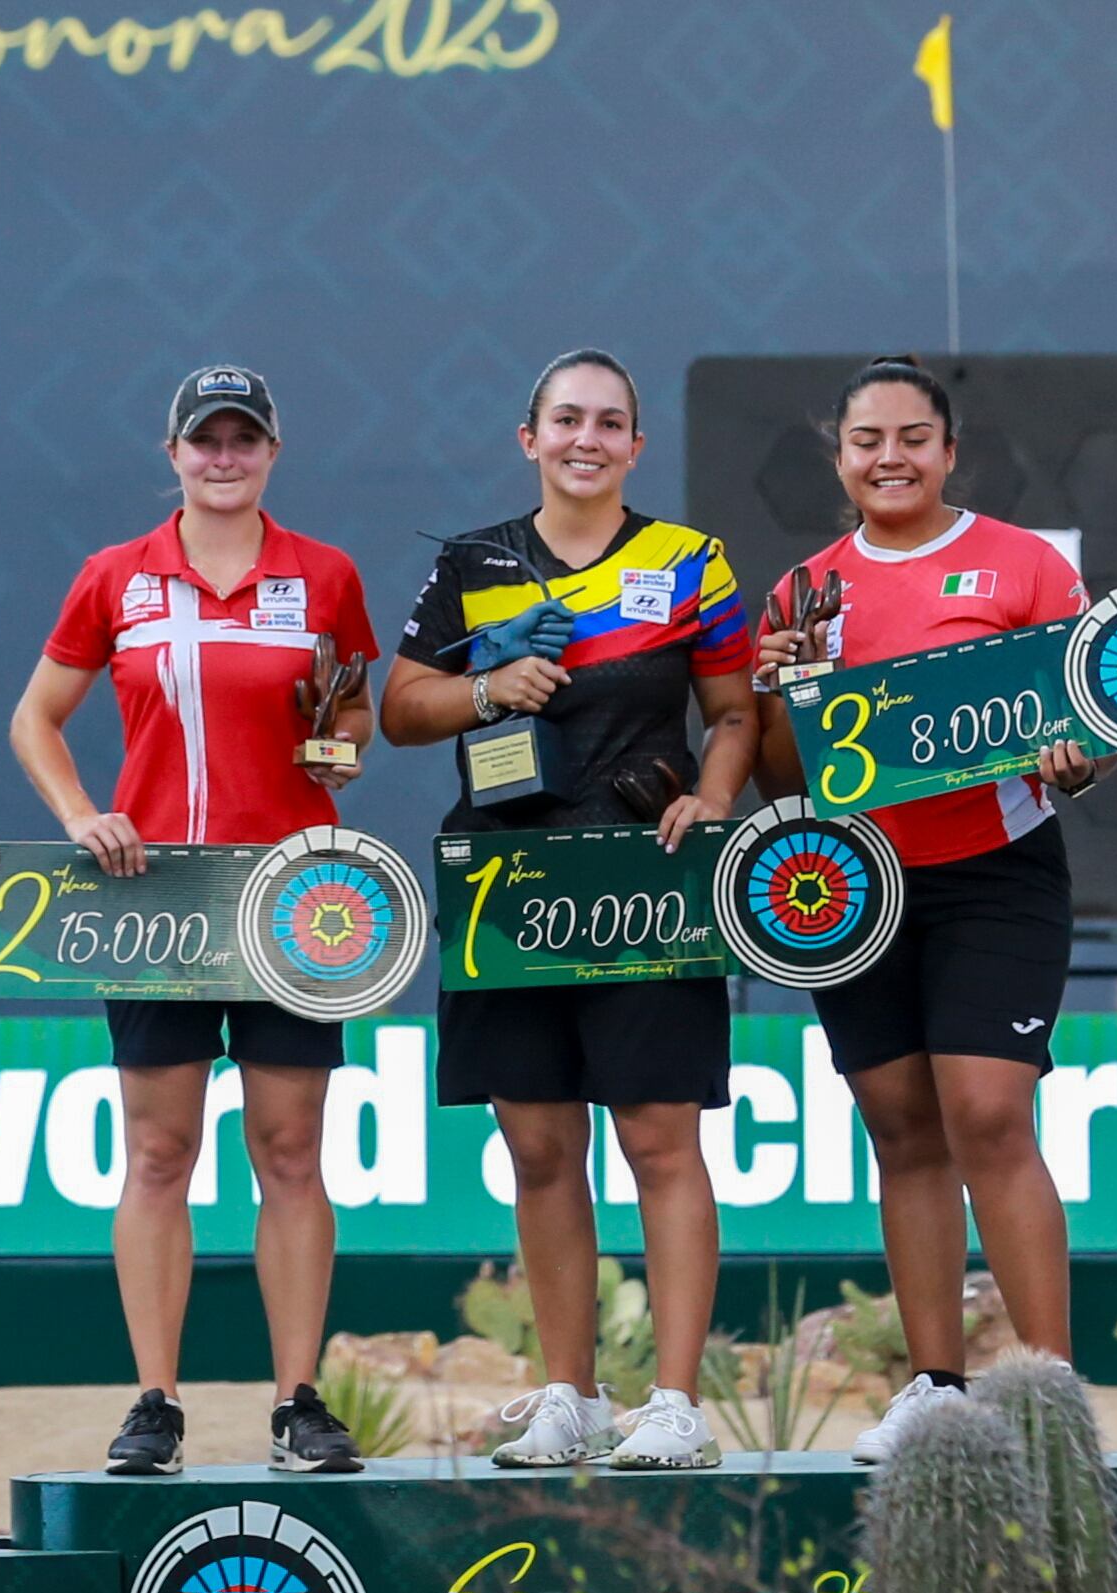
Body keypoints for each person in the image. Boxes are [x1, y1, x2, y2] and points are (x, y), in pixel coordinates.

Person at [380, 350, 758, 1470]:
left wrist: (713, 797)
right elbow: (399, 709)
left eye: (607, 422)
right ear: (529, 437)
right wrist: (488, 688)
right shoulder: (470, 563)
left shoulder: (690, 561)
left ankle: (675, 1404)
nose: (585, 439)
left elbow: (734, 712)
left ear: (636, 445)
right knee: (539, 1144)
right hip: (508, 885)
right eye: (565, 420)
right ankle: (570, 1396)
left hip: (648, 880)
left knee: (658, 1137)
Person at [9, 365, 381, 1477]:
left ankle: (298, 1402)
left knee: (291, 1150)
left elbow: (353, 707)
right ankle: (155, 1404)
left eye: (243, 439)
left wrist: (341, 748)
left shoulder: (323, 573)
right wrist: (81, 815)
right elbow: (35, 718)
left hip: (292, 894)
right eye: (205, 441)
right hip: (155, 895)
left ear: (273, 451)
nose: (224, 458)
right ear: (171, 453)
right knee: (159, 1151)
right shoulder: (115, 576)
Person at [753, 356, 1117, 1464]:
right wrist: (786, 689)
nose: (890, 458)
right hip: (856, 885)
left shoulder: (1025, 564)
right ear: (839, 458)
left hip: (995, 873)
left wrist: (1081, 757)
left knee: (988, 1115)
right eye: (867, 440)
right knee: (902, 1129)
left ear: (949, 452)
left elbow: (1096, 722)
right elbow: (778, 776)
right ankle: (934, 1387)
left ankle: (1049, 1393)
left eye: (913, 437)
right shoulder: (802, 592)